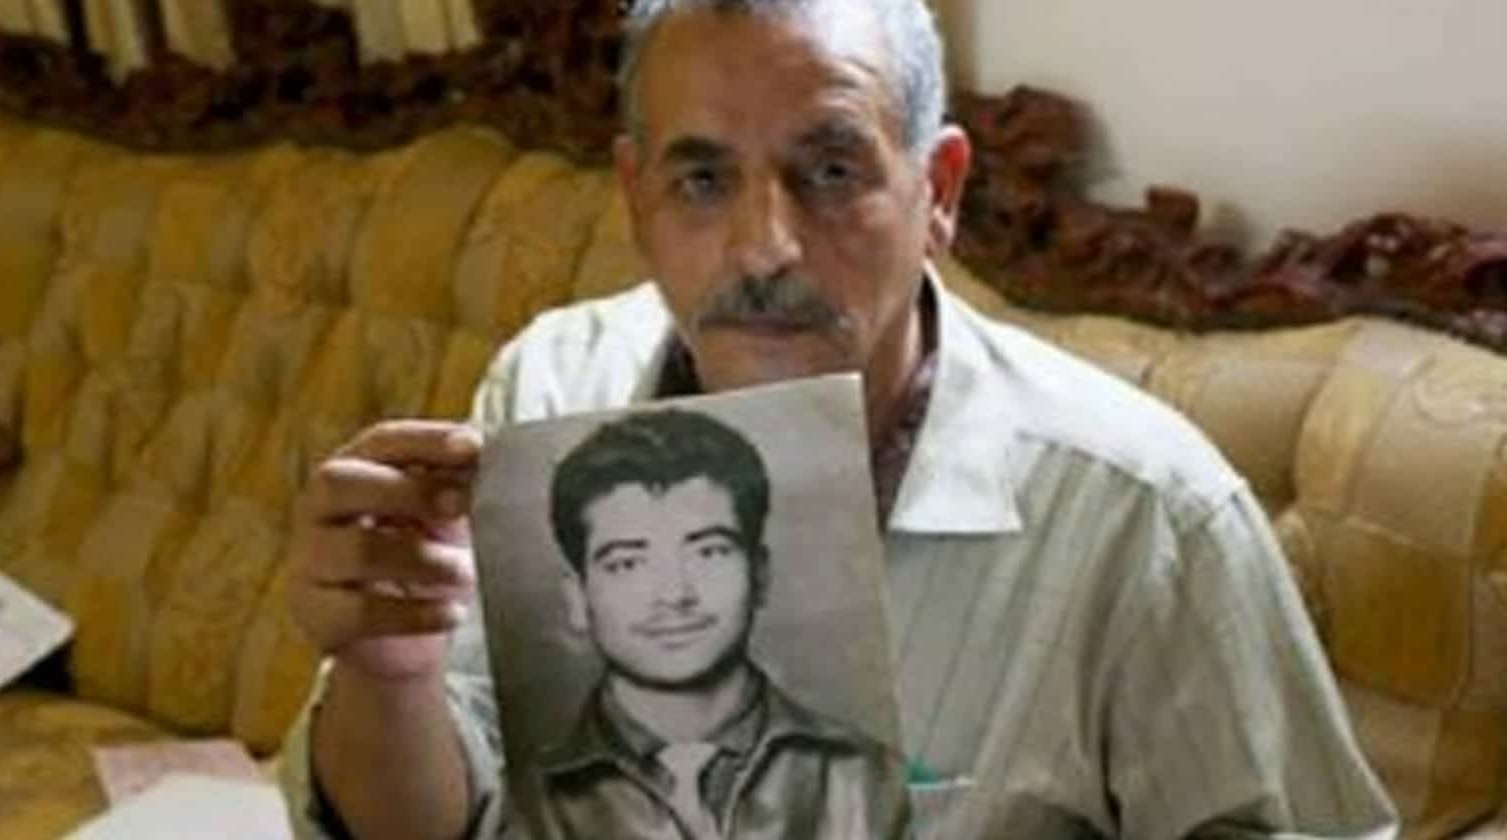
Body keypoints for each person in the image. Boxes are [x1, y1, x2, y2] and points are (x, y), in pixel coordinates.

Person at [280, 0, 1400, 837]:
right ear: (636, 197)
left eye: (827, 170)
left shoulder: (1146, 514)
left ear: (939, 190)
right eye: (702, 181)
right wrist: (390, 674)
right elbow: (430, 820)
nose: (765, 248)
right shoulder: (549, 388)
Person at [531, 408, 909, 840]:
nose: (674, 595)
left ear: (760, 574)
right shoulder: (519, 802)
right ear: (577, 597)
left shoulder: (868, 780)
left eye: (709, 552)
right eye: (627, 563)